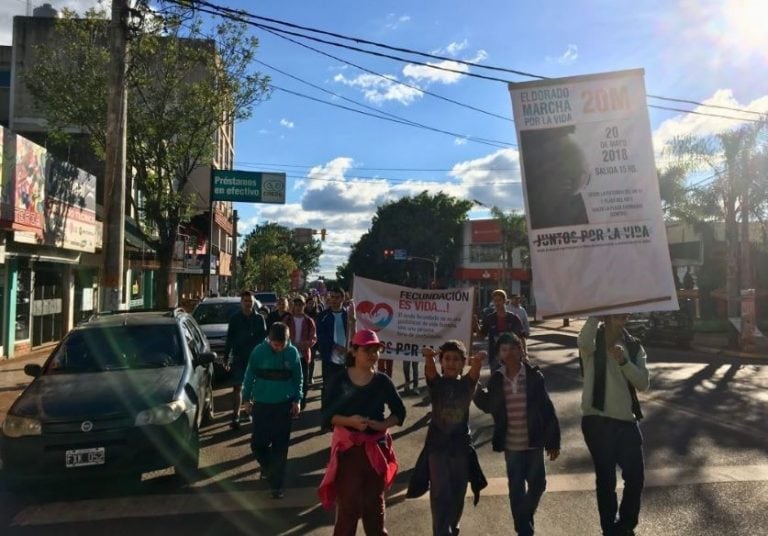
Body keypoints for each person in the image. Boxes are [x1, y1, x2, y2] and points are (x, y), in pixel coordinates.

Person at [318, 329, 406, 536]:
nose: (373, 354)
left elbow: (400, 413)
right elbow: (326, 415)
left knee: (374, 506)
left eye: (376, 350)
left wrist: (382, 424)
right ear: (354, 351)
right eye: (368, 350)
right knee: (348, 507)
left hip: (376, 451)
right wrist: (350, 421)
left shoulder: (382, 381)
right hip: (348, 451)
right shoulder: (339, 380)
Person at [474, 333, 561, 536]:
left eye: (514, 347)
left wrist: (553, 441)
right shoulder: (497, 379)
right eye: (504, 349)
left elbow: (547, 410)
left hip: (534, 442)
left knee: (538, 484)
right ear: (499, 355)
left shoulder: (533, 377)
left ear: (521, 350)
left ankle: (523, 518)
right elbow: (487, 405)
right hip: (511, 445)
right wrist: (474, 384)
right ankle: (524, 530)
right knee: (516, 488)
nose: (510, 352)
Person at [578, 315, 650, 536]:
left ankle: (626, 524)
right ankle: (609, 528)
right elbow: (583, 342)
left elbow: (643, 383)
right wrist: (595, 314)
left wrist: (624, 362)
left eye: (626, 312)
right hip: (597, 421)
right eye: (618, 311)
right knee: (606, 479)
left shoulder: (633, 345)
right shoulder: (592, 341)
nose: (624, 316)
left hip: (626, 421)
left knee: (636, 476)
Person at [407, 341, 487, 535]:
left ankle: (452, 526)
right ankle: (442, 531)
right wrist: (428, 357)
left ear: (462, 363)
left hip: (460, 448)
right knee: (440, 493)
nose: (451, 363)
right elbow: (431, 372)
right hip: (437, 447)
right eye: (447, 359)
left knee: (458, 492)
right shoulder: (437, 384)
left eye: (456, 359)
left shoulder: (466, 384)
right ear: (441, 362)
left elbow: (474, 374)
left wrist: (477, 361)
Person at [242, 322, 303, 499]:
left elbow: (298, 377)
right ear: (269, 339)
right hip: (261, 404)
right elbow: (249, 375)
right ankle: (268, 468)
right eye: (275, 344)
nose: (278, 348)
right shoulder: (258, 352)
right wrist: (246, 398)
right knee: (257, 444)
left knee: (280, 447)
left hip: (284, 405)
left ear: (287, 340)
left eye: (281, 344)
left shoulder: (292, 353)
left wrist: (297, 399)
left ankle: (276, 485)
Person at [223, 290, 267, 429]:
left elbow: (264, 339)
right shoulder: (235, 318)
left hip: (255, 359)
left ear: (254, 302)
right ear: (241, 302)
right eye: (245, 301)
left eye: (250, 301)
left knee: (253, 387)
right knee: (237, 387)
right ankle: (235, 416)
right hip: (239, 358)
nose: (248, 303)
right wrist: (226, 356)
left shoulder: (259, 319)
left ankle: (248, 411)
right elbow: (230, 338)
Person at [316, 286, 355, 416]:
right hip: (329, 357)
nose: (334, 300)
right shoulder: (323, 316)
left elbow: (354, 334)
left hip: (346, 357)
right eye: (332, 297)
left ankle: (342, 413)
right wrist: (335, 346)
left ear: (343, 298)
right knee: (328, 386)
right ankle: (327, 416)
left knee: (344, 386)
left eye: (337, 297)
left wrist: (349, 349)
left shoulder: (347, 315)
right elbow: (321, 336)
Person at [476, 289, 525, 371]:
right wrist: (475, 324)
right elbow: (481, 336)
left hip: (512, 357)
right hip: (495, 358)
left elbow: (521, 337)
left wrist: (524, 353)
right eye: (495, 301)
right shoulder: (490, 319)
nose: (497, 303)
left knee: (512, 382)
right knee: (496, 381)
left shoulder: (513, 318)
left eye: (499, 300)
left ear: (505, 301)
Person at [286, 295, 317, 411]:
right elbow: (282, 335)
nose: (298, 307)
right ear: (293, 306)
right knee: (289, 380)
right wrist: (291, 344)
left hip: (303, 355)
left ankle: (301, 405)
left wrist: (303, 344)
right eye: (296, 304)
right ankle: (290, 403)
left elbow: (313, 338)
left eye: (301, 305)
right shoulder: (287, 320)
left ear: (304, 306)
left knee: (303, 382)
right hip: (289, 355)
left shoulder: (309, 321)